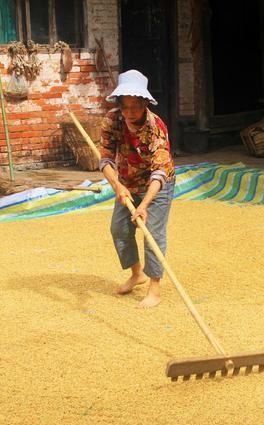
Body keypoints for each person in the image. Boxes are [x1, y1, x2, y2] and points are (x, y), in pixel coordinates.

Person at [99, 70, 176, 309]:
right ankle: (136, 273)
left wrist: (143, 205)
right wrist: (117, 185)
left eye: (136, 107)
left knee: (152, 234)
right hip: (126, 182)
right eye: (126, 107)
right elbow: (105, 159)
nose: (130, 113)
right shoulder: (112, 120)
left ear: (144, 104)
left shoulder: (156, 128)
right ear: (119, 104)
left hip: (158, 185)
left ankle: (155, 289)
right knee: (119, 229)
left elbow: (160, 172)